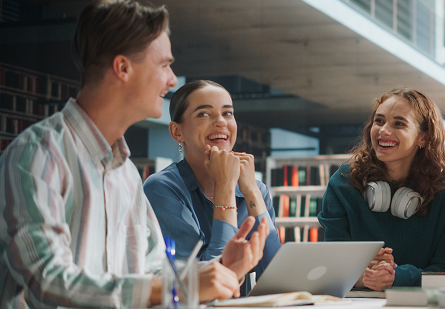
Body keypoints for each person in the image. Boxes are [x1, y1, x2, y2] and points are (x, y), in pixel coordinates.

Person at [0, 1, 267, 307]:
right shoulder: (39, 155)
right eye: (164, 65)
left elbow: (151, 270)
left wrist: (219, 269)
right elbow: (47, 277)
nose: (171, 80)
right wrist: (179, 288)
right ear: (123, 68)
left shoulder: (125, 173)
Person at [318, 88, 445, 291]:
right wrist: (363, 277)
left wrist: (396, 277)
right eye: (379, 121)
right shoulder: (343, 183)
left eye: (399, 124)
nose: (383, 131)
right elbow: (332, 265)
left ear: (423, 138)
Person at [143, 80, 282, 292]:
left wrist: (252, 190)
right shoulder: (161, 188)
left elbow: (275, 273)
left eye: (227, 113)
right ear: (177, 132)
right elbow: (206, 281)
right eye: (204, 114)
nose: (221, 122)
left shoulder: (255, 188)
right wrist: (225, 187)